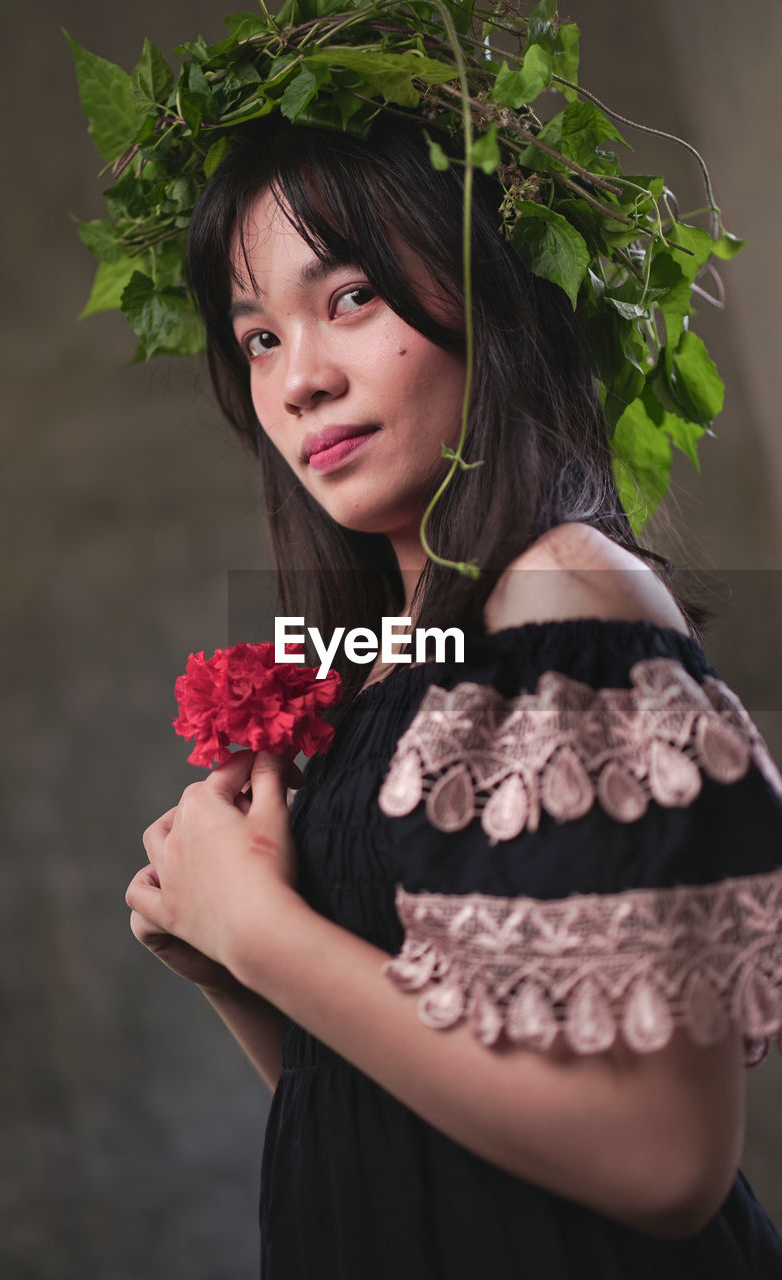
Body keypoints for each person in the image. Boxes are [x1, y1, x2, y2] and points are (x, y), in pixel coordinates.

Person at [124, 109, 782, 1277]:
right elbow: (407, 1120)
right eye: (259, 338)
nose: (302, 382)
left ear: (493, 289)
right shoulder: (394, 653)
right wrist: (229, 963)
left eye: (351, 298)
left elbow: (663, 1159)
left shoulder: (566, 594)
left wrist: (264, 931)